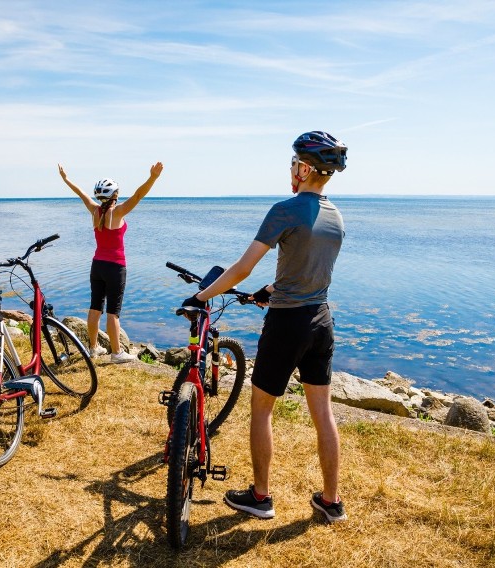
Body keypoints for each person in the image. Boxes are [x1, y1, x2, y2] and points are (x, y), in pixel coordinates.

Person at [182, 131, 348, 523]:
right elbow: (308, 274)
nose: (291, 169)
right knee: (322, 413)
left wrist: (201, 297)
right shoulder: (336, 217)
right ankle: (331, 501)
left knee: (262, 410)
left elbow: (241, 267)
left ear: (305, 169)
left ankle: (260, 497)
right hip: (321, 321)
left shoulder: (285, 209)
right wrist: (269, 290)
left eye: (294, 163)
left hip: (288, 323)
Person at [58, 161, 164, 363]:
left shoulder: (94, 211)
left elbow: (81, 193)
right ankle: (116, 353)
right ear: (115, 195)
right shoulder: (117, 212)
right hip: (115, 267)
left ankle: (93, 348)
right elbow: (138, 195)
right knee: (113, 313)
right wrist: (153, 177)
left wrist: (66, 179)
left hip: (97, 266)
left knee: (95, 307)